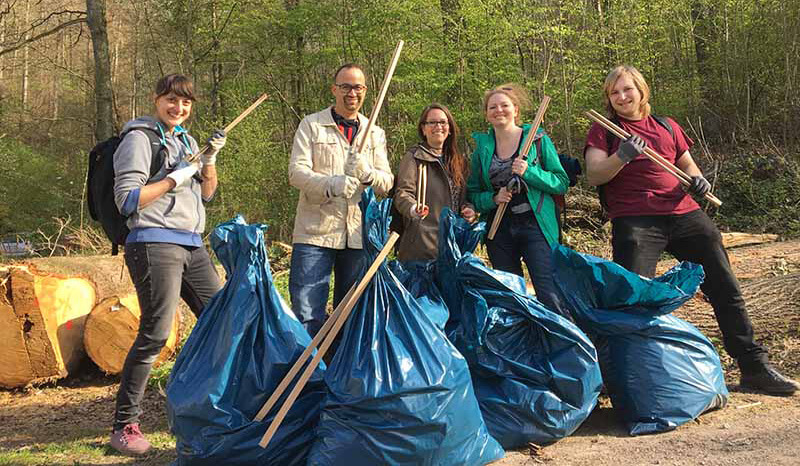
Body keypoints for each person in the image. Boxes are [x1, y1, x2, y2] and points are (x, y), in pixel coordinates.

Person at [584, 64, 799, 395]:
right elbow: (595, 174)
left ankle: (753, 367)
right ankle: (627, 378)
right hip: (635, 219)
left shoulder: (667, 125)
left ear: (642, 90)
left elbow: (687, 165)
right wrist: (623, 156)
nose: (622, 96)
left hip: (684, 212)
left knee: (725, 288)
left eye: (627, 89)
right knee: (630, 298)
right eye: (614, 92)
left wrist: (698, 181)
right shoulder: (606, 130)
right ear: (609, 99)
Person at [110, 74, 226, 454]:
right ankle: (125, 425)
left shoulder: (187, 140)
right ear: (155, 99)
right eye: (171, 100)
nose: (179, 108)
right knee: (157, 332)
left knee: (221, 319)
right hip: (153, 241)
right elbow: (127, 200)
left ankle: (203, 403)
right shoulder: (139, 138)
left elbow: (207, 196)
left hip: (192, 243)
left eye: (186, 103)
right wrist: (174, 179)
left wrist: (207, 161)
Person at [288, 63, 393, 337]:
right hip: (315, 233)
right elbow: (296, 173)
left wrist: (368, 174)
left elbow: (387, 183)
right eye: (345, 86)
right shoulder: (312, 125)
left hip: (358, 235)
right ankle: (308, 375)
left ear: (366, 91)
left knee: (351, 312)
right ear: (334, 89)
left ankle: (340, 374)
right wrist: (331, 183)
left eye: (357, 87)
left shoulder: (375, 132)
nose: (351, 93)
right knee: (307, 311)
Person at [466, 83, 569, 317]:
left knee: (549, 292)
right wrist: (493, 198)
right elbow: (472, 193)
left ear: (516, 110)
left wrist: (530, 172)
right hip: (498, 229)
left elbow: (561, 182)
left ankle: (565, 347)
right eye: (493, 107)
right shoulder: (482, 149)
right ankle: (522, 348)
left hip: (536, 225)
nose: (498, 110)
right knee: (510, 296)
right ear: (486, 114)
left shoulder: (537, 140)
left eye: (504, 105)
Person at [393, 103, 476, 261]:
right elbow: (402, 194)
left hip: (453, 245)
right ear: (423, 129)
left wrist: (469, 210)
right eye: (432, 122)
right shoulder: (414, 157)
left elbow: (464, 199)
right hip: (422, 246)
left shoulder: (459, 162)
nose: (438, 126)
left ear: (449, 128)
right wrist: (413, 208)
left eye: (443, 122)